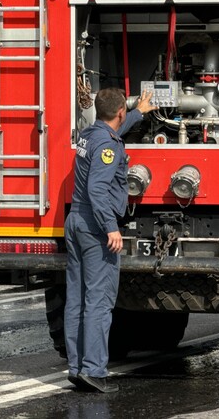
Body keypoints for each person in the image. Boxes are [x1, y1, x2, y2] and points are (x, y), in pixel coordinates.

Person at [64, 88, 156, 393]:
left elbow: (113, 132)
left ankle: (77, 368)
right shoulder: (108, 145)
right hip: (94, 225)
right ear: (118, 113)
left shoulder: (91, 134)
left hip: (76, 221)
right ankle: (94, 370)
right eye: (125, 113)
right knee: (99, 300)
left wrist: (139, 112)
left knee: (76, 298)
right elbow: (98, 190)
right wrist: (111, 228)